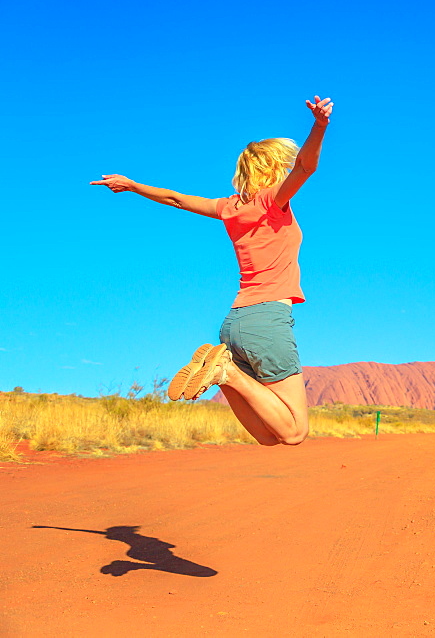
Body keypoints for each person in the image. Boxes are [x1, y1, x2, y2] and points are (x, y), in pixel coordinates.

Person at [90, 95, 334, 446]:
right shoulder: (271, 200)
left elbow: (177, 199)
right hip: (267, 319)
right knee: (294, 432)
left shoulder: (230, 208)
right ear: (273, 167)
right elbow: (305, 168)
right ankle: (226, 370)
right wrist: (320, 126)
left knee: (270, 436)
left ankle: (225, 373)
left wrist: (132, 185)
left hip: (235, 324)